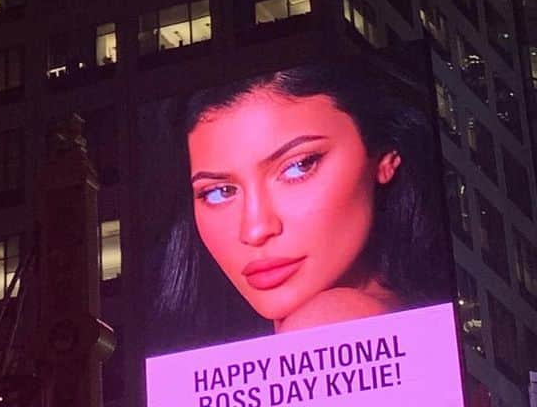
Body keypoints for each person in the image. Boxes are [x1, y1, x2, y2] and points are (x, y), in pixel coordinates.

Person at [155, 63, 449, 342]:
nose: (255, 230)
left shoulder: (332, 321)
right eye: (220, 192)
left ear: (385, 158)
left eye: (299, 166)